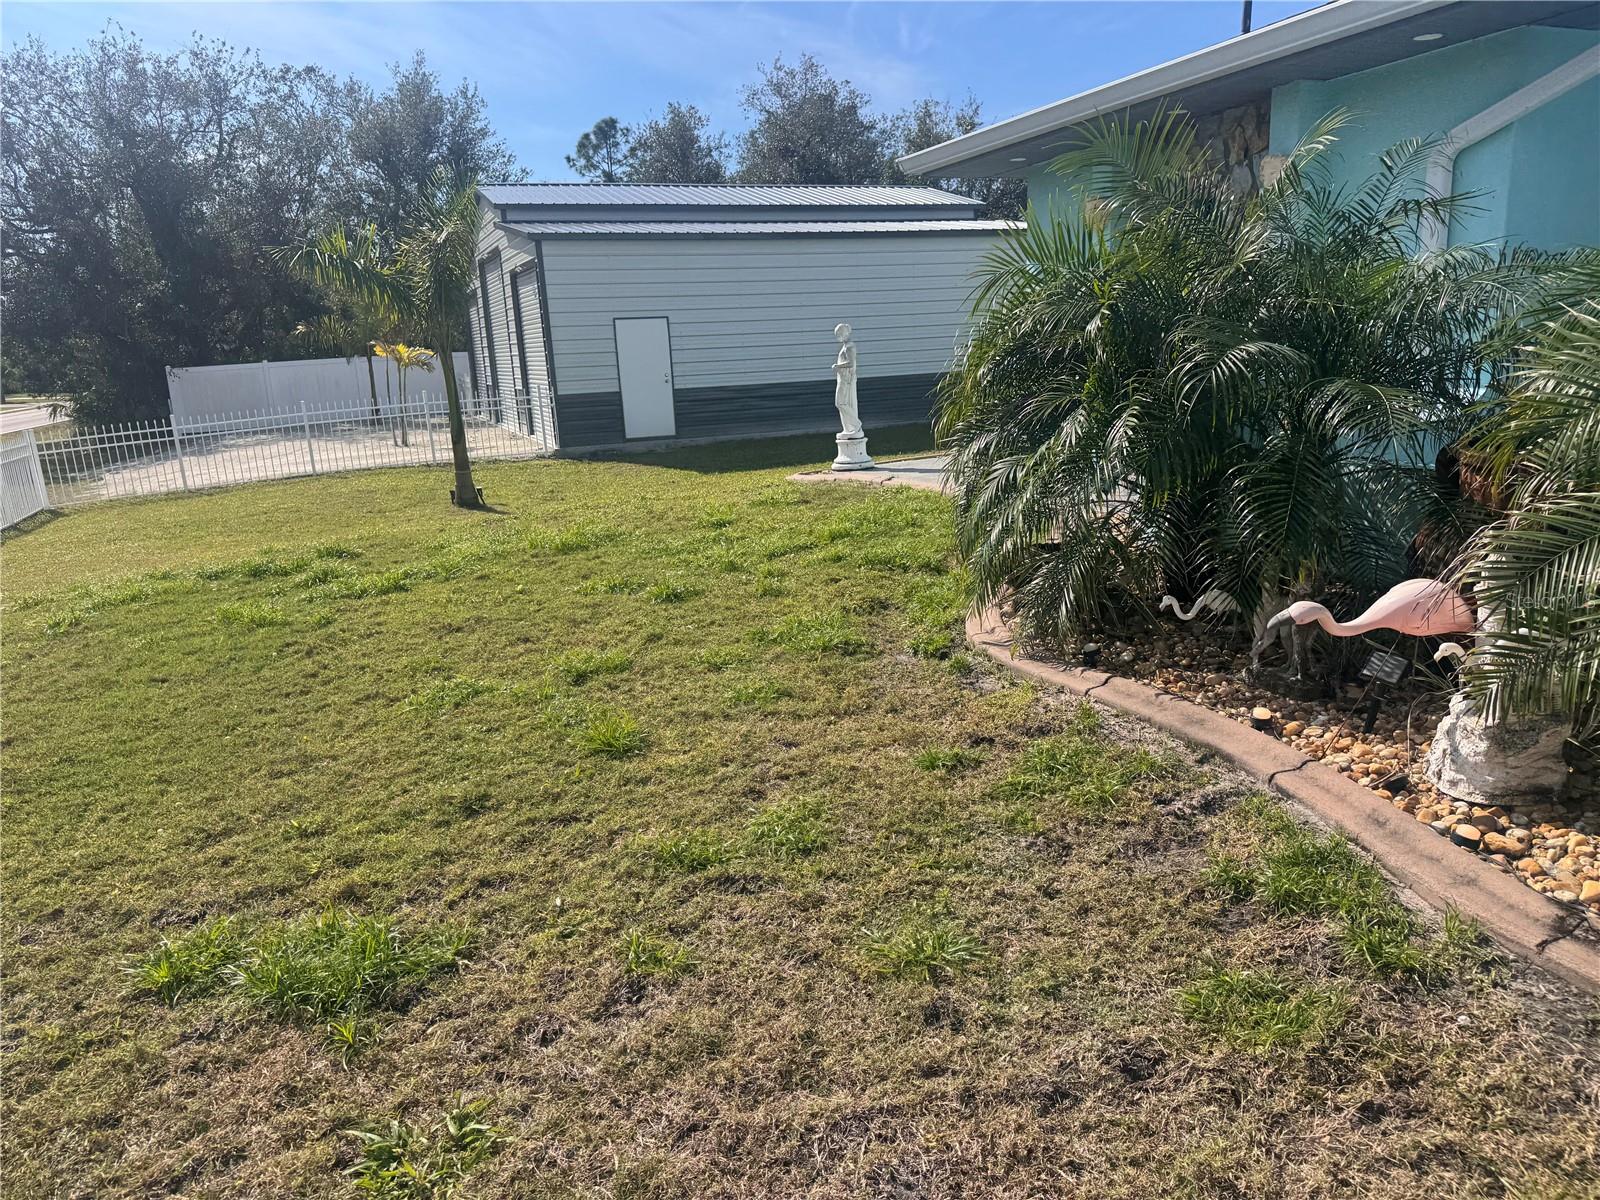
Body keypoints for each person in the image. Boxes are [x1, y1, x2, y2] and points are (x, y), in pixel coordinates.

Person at [832, 322, 861, 437]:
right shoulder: (845, 346)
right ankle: (848, 428)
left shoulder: (849, 347)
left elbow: (851, 363)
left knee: (840, 402)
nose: (838, 337)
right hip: (842, 378)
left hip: (846, 379)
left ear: (844, 334)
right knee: (842, 403)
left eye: (839, 335)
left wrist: (837, 366)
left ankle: (856, 424)